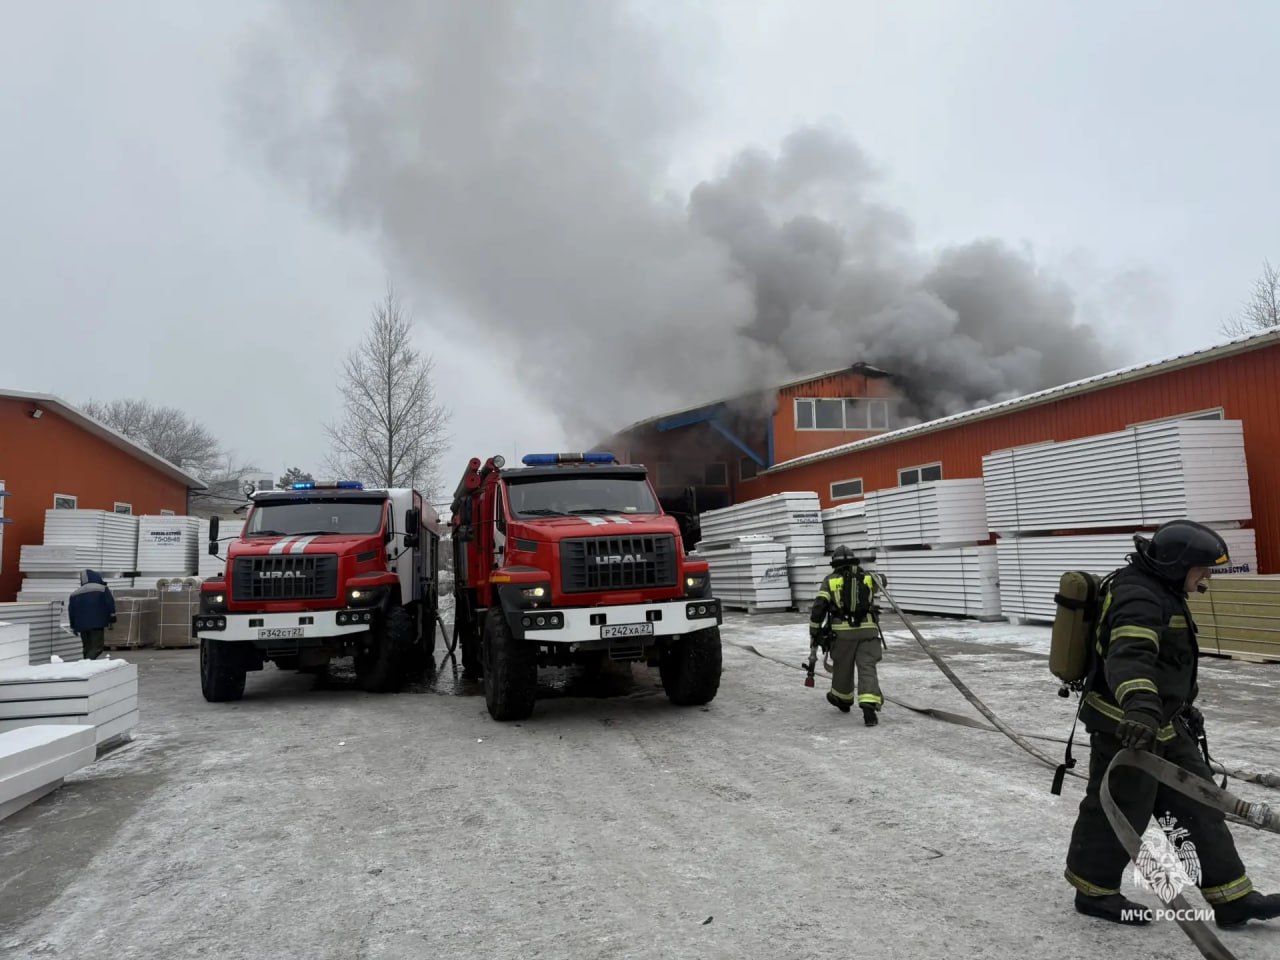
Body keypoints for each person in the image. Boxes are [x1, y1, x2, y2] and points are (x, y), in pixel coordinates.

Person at [1064, 519, 1280, 929]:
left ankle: (1232, 898)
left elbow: (1168, 661)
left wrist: (1173, 707)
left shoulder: (1162, 590)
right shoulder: (1137, 598)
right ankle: (1093, 891)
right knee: (1121, 810)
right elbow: (1130, 656)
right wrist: (1142, 709)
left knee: (1200, 805)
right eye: (1201, 570)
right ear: (1177, 565)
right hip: (1126, 726)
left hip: (1165, 723)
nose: (1205, 580)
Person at [808, 545, 884, 726]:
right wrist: (872, 576)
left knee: (843, 666)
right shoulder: (868, 578)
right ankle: (869, 708)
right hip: (869, 630)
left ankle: (842, 699)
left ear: (834, 564)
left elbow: (819, 607)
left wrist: (815, 630)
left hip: (842, 633)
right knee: (867, 667)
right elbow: (883, 582)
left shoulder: (831, 580)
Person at [68, 569, 115, 660]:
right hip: (97, 624)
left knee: (87, 647)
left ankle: (87, 667)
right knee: (97, 648)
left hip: (81, 626)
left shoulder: (75, 594)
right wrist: (111, 620)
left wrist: (73, 626)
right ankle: (86, 664)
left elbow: (71, 611)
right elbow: (110, 604)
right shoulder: (102, 589)